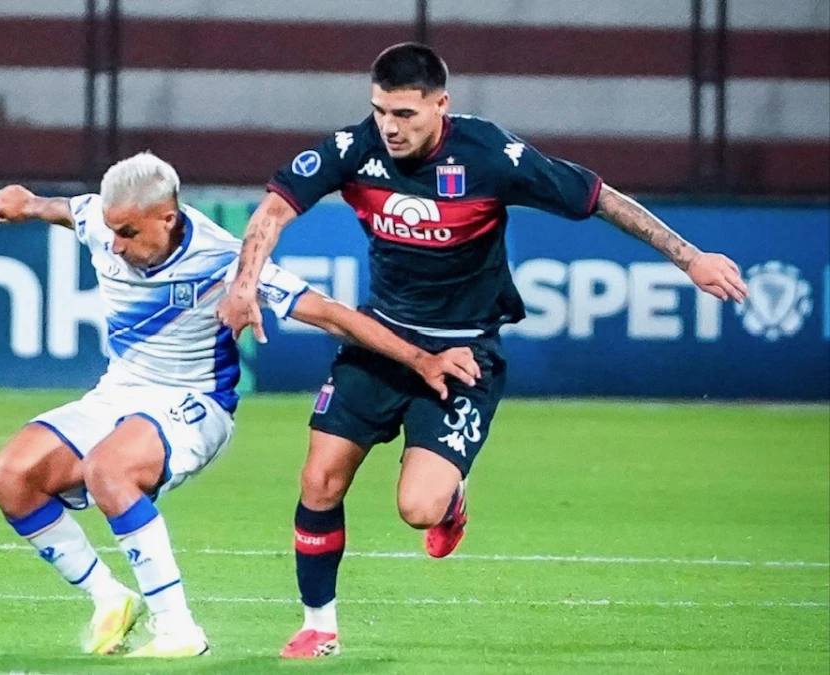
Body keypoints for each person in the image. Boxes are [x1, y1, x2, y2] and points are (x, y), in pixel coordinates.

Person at [215, 42, 750, 659]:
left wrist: (689, 257)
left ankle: (451, 496)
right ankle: (319, 625)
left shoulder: (490, 155)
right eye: (380, 111)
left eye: (405, 114)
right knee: (319, 477)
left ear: (441, 105)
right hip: (382, 339)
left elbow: (598, 197)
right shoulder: (354, 148)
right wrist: (244, 285)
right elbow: (274, 210)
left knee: (418, 509)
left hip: (465, 351)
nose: (389, 127)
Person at [0, 151, 481, 658]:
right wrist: (29, 204)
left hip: (195, 405)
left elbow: (331, 315)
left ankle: (178, 630)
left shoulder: (226, 261)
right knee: (11, 475)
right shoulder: (105, 220)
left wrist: (421, 359)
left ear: (167, 218)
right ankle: (110, 597)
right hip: (118, 393)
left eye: (128, 233)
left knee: (108, 469)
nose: (115, 244)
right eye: (111, 231)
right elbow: (70, 211)